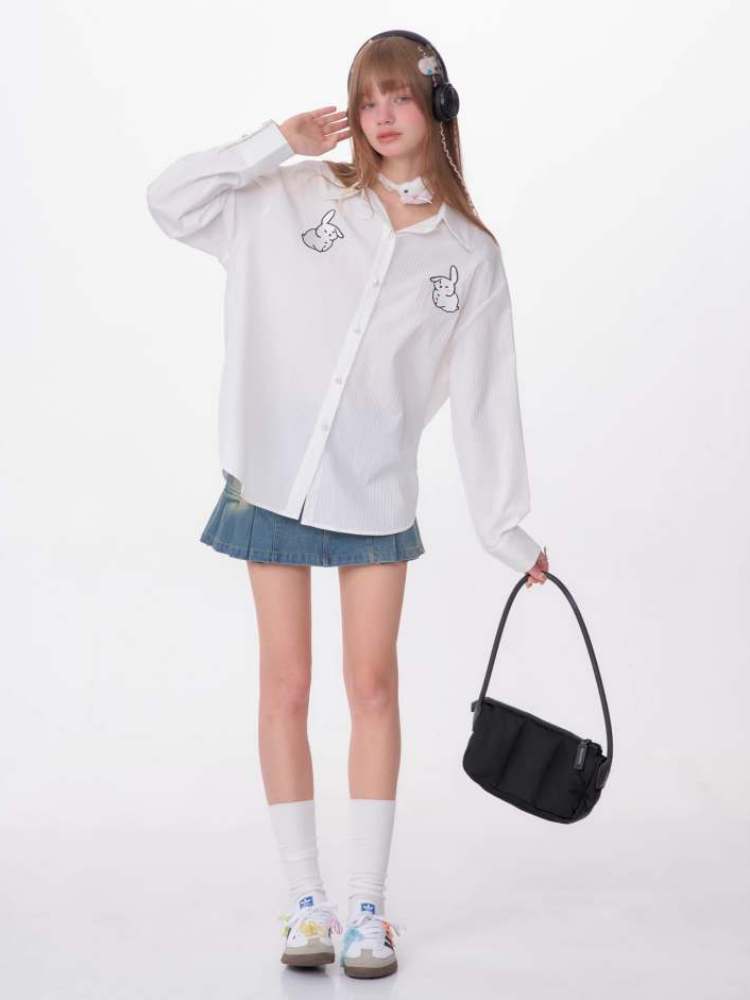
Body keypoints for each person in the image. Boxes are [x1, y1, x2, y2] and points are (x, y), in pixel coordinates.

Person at [146, 28, 549, 980]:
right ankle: (305, 904)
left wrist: (506, 529)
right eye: (367, 98)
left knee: (373, 689)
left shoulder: (469, 257)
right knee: (285, 687)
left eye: (399, 95)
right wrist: (272, 144)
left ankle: (367, 906)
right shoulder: (295, 198)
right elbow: (169, 202)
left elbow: (486, 399)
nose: (380, 115)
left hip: (373, 491)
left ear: (437, 107)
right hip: (274, 476)